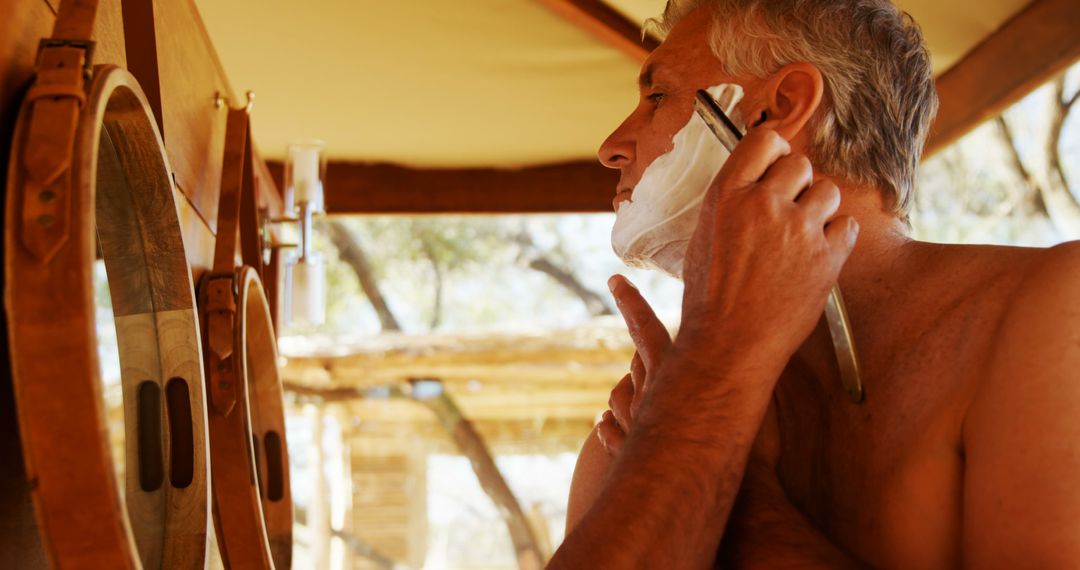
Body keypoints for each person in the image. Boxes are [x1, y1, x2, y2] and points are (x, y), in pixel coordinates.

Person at [549, 1, 1080, 568]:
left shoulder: (1051, 309)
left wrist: (725, 476)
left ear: (781, 108)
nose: (611, 146)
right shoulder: (640, 411)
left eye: (658, 97)